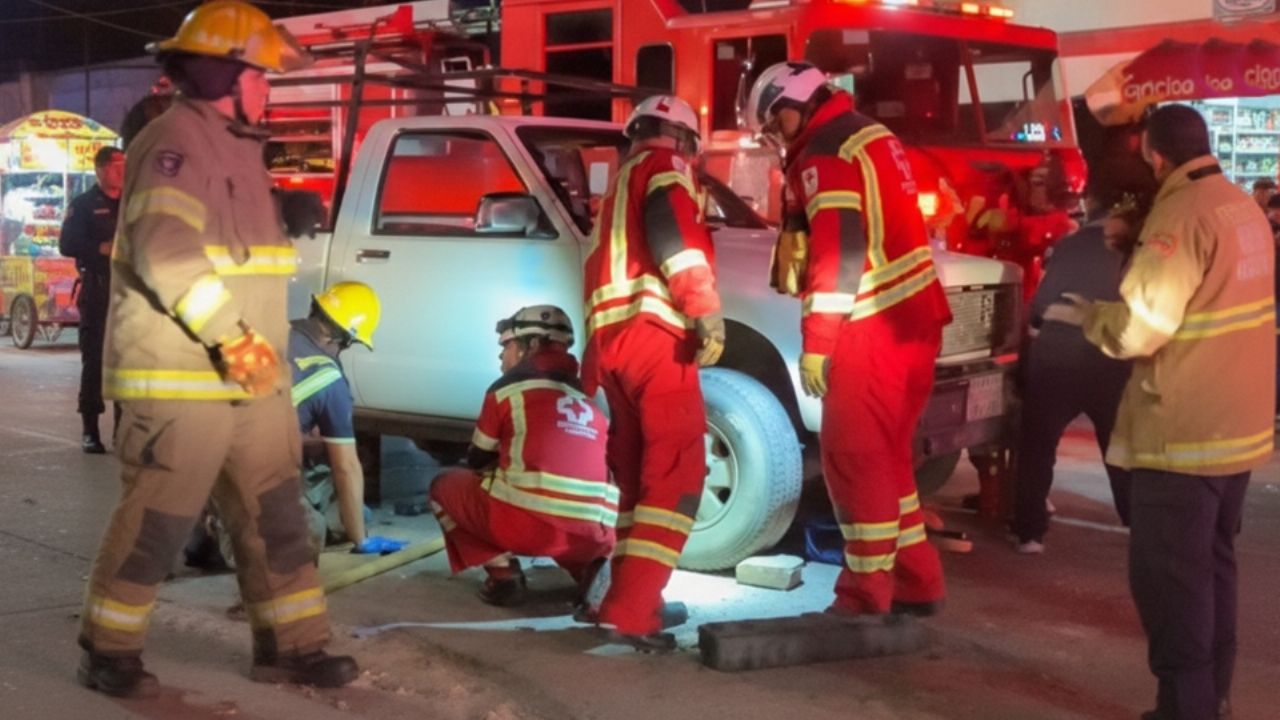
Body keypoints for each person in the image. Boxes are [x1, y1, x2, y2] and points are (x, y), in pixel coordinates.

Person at [76, 1, 358, 699]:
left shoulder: (236, 146)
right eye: (261, 77)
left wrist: (283, 209)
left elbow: (230, 250)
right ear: (223, 75)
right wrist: (230, 337)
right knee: (159, 525)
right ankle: (108, 650)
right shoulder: (175, 141)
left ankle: (294, 646)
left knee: (276, 519)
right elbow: (165, 249)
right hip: (183, 378)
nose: (269, 90)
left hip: (251, 379)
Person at [1047, 104, 1273, 720]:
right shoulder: (1238, 204)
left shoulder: (1179, 216)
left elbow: (1139, 332)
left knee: (1171, 585)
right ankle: (1213, 699)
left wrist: (1091, 316)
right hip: (1236, 428)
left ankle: (1185, 709)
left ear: (1154, 155)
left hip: (1183, 432)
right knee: (1213, 573)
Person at [745, 62, 952, 618]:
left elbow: (839, 252)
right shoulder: (868, 134)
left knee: (855, 462)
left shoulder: (826, 153)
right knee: (889, 464)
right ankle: (916, 581)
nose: (776, 137)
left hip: (872, 326)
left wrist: (818, 343)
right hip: (914, 322)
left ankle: (865, 598)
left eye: (775, 124)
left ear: (796, 105)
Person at [580, 94, 724, 651]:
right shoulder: (667, 171)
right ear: (686, 142)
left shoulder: (618, 186)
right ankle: (631, 610)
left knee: (639, 478)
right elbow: (677, 240)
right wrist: (704, 310)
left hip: (612, 347)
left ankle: (628, 597)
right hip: (655, 339)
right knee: (678, 475)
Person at [1010, 164, 1157, 554]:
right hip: (1109, 360)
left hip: (1056, 359)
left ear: (1091, 204)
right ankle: (1134, 522)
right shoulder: (1138, 249)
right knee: (1118, 446)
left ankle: (1030, 533)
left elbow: (1041, 305)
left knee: (1038, 447)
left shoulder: (1069, 246)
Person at [429, 305, 616, 607]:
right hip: (598, 534)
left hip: (523, 526)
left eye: (507, 346)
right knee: (568, 512)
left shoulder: (506, 389)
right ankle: (591, 572)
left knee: (443, 486)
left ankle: (503, 576)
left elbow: (477, 459)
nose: (501, 356)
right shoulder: (596, 395)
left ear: (530, 346)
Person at [58, 146, 125, 453]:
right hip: (97, 289)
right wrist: (99, 248)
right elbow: (67, 243)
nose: (121, 170)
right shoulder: (84, 204)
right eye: (115, 165)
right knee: (95, 360)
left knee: (128, 362)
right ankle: (90, 430)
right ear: (100, 170)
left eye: (124, 164)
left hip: (128, 292)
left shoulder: (133, 202)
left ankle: (124, 431)